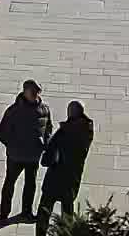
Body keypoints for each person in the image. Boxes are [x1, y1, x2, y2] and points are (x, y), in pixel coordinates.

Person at [0, 79, 52, 225]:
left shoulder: (44, 109)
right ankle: (4, 213)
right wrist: (14, 145)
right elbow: (1, 133)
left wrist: (45, 144)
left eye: (37, 92)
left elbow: (48, 129)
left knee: (30, 184)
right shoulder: (14, 111)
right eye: (33, 92)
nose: (35, 95)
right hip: (16, 156)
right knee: (9, 183)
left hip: (33, 156)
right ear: (25, 92)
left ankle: (26, 212)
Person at [34, 100, 93, 236]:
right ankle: (66, 233)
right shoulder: (87, 130)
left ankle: (40, 233)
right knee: (67, 210)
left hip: (55, 177)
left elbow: (48, 156)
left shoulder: (63, 133)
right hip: (72, 178)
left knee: (45, 208)